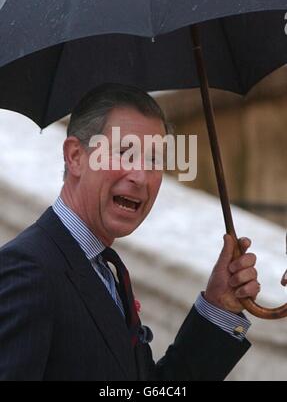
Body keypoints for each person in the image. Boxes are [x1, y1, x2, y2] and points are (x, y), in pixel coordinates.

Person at [0, 84, 260, 381]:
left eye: (154, 160)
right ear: (75, 156)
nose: (140, 177)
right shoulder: (27, 270)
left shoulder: (105, 269)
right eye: (125, 153)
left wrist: (219, 308)